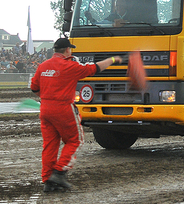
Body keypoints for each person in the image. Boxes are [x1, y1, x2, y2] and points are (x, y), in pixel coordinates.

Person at [30, 37, 123, 192]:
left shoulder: (43, 66)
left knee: (49, 145)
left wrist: (46, 97)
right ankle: (59, 172)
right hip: (63, 108)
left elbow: (34, 88)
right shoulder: (70, 66)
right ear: (67, 50)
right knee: (75, 140)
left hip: (45, 109)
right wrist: (112, 59)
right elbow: (94, 69)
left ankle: (47, 180)